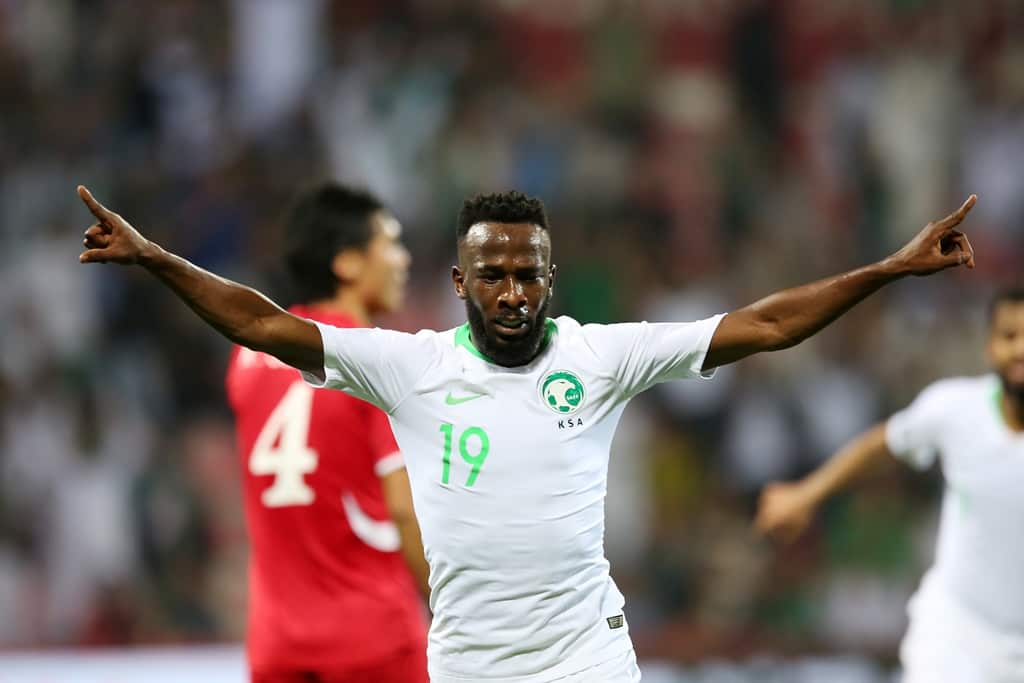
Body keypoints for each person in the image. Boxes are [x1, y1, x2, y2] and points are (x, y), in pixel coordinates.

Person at [76, 184, 975, 682]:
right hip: (467, 665)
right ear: (461, 283)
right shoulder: (412, 366)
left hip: (587, 656)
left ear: (552, 276)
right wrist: (155, 258)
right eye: (493, 274)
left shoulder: (603, 356)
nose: (514, 292)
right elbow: (265, 325)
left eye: (529, 272)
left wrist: (893, 267)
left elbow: (766, 324)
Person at [756, 287, 1024, 683]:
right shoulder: (955, 410)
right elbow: (885, 442)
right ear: (988, 347)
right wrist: (806, 494)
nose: (1020, 350)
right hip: (956, 635)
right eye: (1009, 337)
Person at [224, 184, 430, 682]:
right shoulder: (376, 360)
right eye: (391, 243)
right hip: (371, 638)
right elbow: (403, 509)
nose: (403, 261)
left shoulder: (246, 360)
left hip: (277, 643)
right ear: (348, 263)